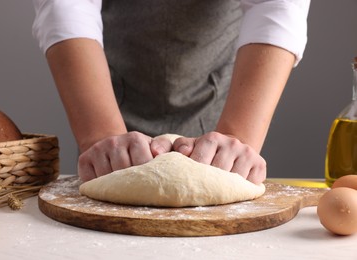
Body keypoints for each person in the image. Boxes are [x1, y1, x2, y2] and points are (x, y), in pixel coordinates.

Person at [32, 0, 310, 185]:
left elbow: (276, 4)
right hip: (108, 93)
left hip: (215, 97)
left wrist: (238, 137)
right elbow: (66, 5)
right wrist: (99, 135)